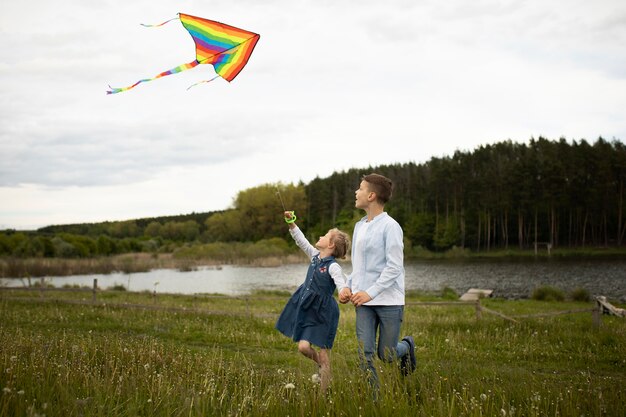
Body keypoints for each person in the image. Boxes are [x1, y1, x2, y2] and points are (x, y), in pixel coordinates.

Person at [339, 173, 416, 392]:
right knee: (364, 354)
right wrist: (348, 286)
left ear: (371, 195)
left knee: (388, 355)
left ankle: (407, 345)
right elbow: (359, 267)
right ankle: (375, 401)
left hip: (389, 299)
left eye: (360, 188)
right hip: (362, 301)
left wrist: (370, 293)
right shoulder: (359, 226)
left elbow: (394, 267)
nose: (356, 192)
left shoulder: (391, 226)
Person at [275, 210, 352, 392]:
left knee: (324, 353)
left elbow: (341, 283)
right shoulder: (314, 255)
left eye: (325, 235)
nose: (320, 236)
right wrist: (292, 223)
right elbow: (300, 240)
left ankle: (323, 394)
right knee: (303, 347)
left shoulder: (332, 266)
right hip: (308, 307)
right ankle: (321, 365)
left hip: (324, 312)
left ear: (331, 245)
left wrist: (343, 292)